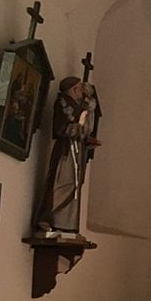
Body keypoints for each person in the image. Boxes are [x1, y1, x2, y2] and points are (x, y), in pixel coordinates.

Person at [35, 76, 98, 233]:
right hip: (66, 150)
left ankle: (64, 224)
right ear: (75, 88)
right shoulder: (62, 103)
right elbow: (61, 128)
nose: (82, 91)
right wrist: (80, 125)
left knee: (75, 183)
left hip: (77, 148)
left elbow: (86, 127)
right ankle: (47, 218)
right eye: (80, 88)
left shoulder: (77, 104)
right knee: (63, 182)